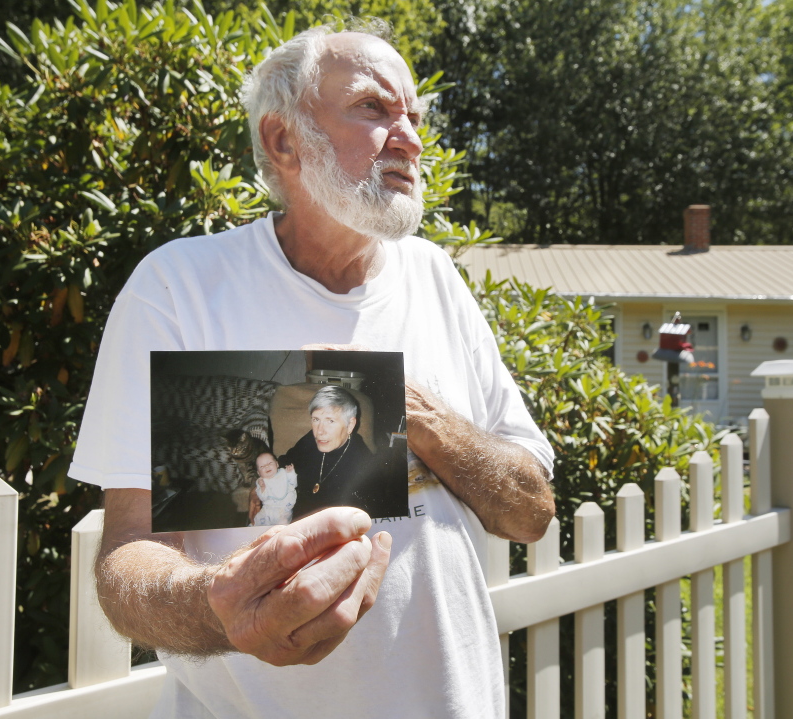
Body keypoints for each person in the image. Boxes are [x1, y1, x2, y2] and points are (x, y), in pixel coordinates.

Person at [68, 19, 555, 718]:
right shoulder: (180, 286)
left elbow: (531, 511)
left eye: (413, 115)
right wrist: (220, 607)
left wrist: (417, 418)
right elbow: (128, 558)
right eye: (373, 107)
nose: (411, 137)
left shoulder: (435, 277)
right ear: (282, 138)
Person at [278, 385, 376, 519]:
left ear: (350, 425)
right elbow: (286, 460)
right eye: (316, 419)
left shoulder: (363, 465)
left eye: (330, 421)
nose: (320, 431)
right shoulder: (312, 439)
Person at [252, 452, 297, 526]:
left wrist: (291, 473)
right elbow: (262, 497)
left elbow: (293, 484)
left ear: (277, 464)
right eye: (262, 466)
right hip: (268, 509)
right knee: (257, 519)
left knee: (283, 522)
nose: (266, 466)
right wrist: (262, 488)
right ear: (258, 473)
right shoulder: (261, 482)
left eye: (270, 463)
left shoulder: (284, 474)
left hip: (284, 510)